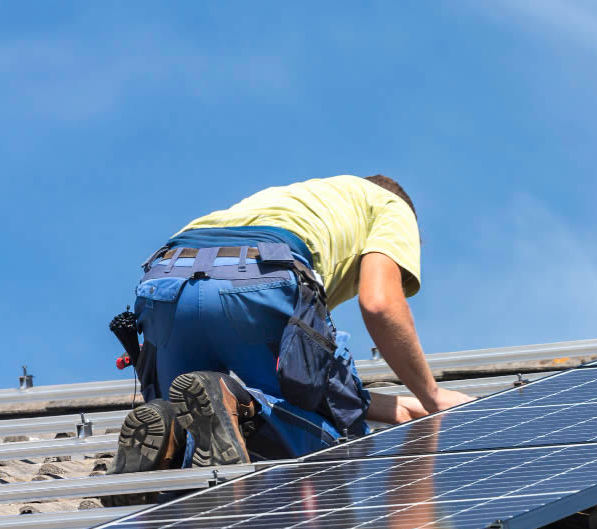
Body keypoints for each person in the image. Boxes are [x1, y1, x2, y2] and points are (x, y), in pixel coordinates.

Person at [107, 175, 474, 481]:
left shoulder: (291, 199)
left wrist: (401, 407)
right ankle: (244, 402)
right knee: (332, 443)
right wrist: (431, 396)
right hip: (259, 279)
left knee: (192, 420)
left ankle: (167, 429)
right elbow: (380, 304)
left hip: (165, 281)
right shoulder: (390, 207)